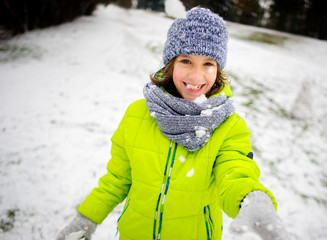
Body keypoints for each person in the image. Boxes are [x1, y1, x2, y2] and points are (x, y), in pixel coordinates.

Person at [57, 7, 290, 240]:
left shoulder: (229, 126)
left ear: (218, 70)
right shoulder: (137, 114)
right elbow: (118, 179)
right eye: (186, 60)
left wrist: (251, 199)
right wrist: (87, 217)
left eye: (208, 63)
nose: (196, 77)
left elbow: (235, 173)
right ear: (170, 64)